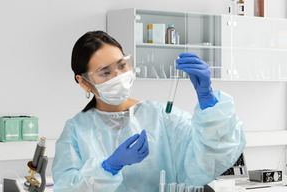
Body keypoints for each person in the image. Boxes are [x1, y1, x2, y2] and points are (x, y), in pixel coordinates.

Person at [52, 30, 246, 192]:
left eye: (122, 65)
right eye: (105, 72)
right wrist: (108, 167)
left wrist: (208, 100)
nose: (118, 76)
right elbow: (66, 188)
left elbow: (211, 160)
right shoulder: (76, 131)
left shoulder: (163, 116)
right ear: (84, 82)